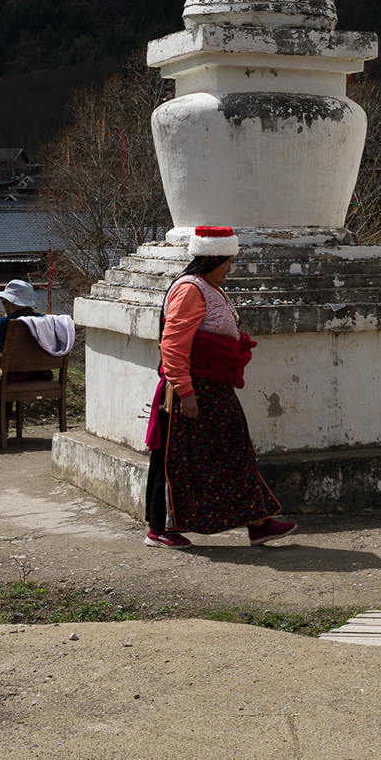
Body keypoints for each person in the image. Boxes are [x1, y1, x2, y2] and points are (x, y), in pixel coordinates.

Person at [143, 225, 296, 549]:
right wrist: (185, 392)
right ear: (212, 258)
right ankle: (160, 528)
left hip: (214, 390)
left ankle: (259, 523)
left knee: (234, 453)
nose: (230, 268)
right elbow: (173, 345)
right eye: (227, 261)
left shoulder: (208, 287)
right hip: (194, 391)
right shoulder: (190, 290)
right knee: (176, 460)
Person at [0, 279, 49, 444]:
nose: (3, 304)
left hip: (11, 375)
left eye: (5, 301)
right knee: (1, 376)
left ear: (13, 303)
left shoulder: (6, 323)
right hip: (35, 374)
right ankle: (3, 424)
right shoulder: (44, 321)